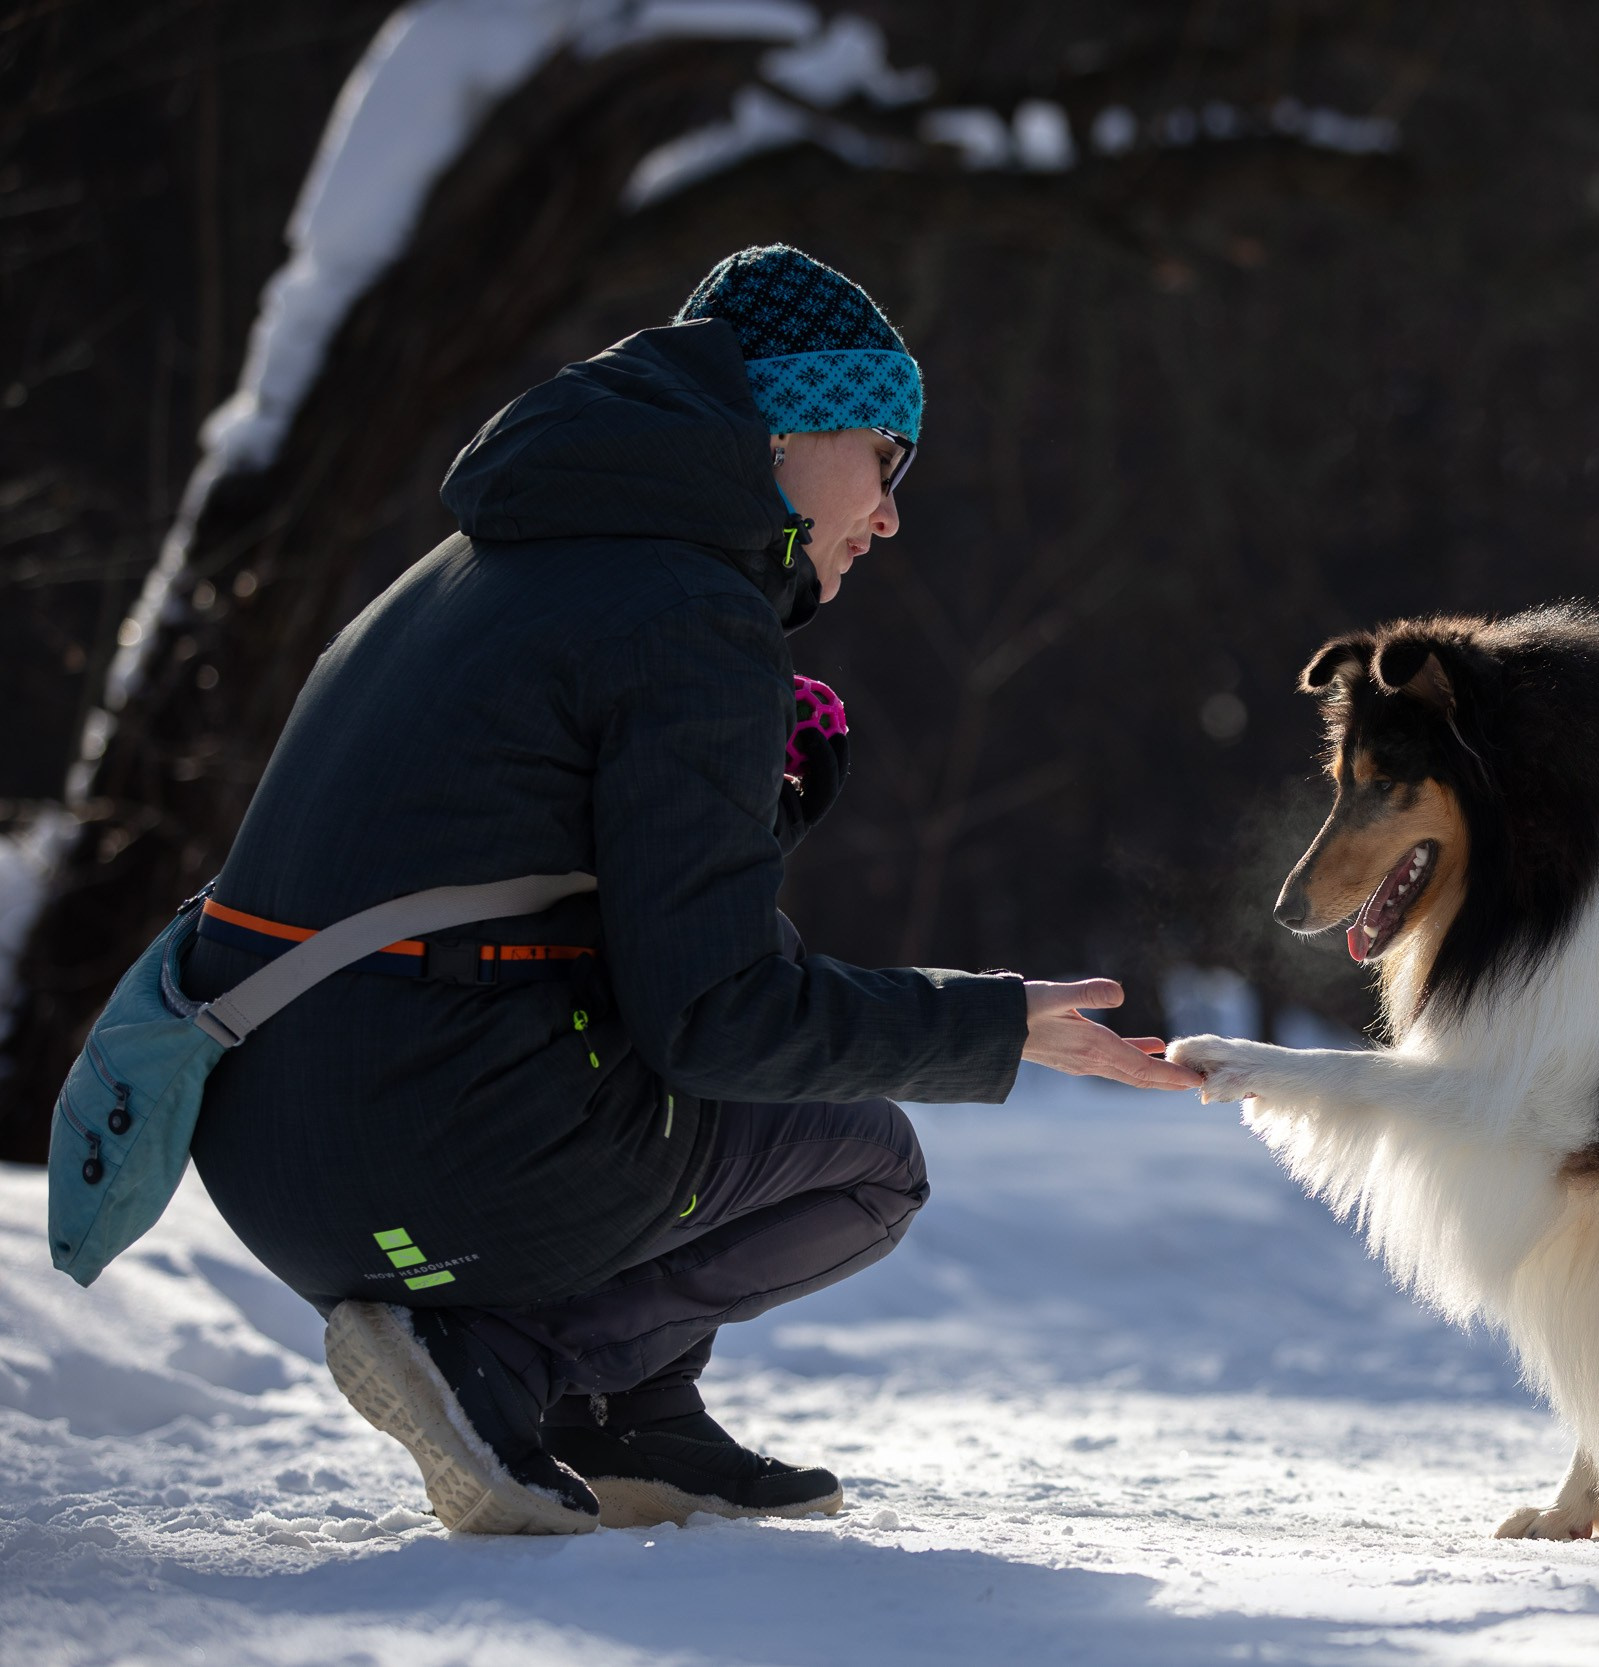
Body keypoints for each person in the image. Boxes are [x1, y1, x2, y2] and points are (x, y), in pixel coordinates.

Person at [182, 244, 1202, 1535]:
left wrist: (760, 802)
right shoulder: (694, 610)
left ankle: (635, 1420)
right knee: (868, 1164)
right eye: (884, 461)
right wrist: (993, 1026)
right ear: (792, 420)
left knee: (700, 1089)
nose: (889, 516)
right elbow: (716, 1015)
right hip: (426, 1142)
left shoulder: (485, 559)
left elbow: (571, 907)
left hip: (271, 1144)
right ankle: (520, 1370)